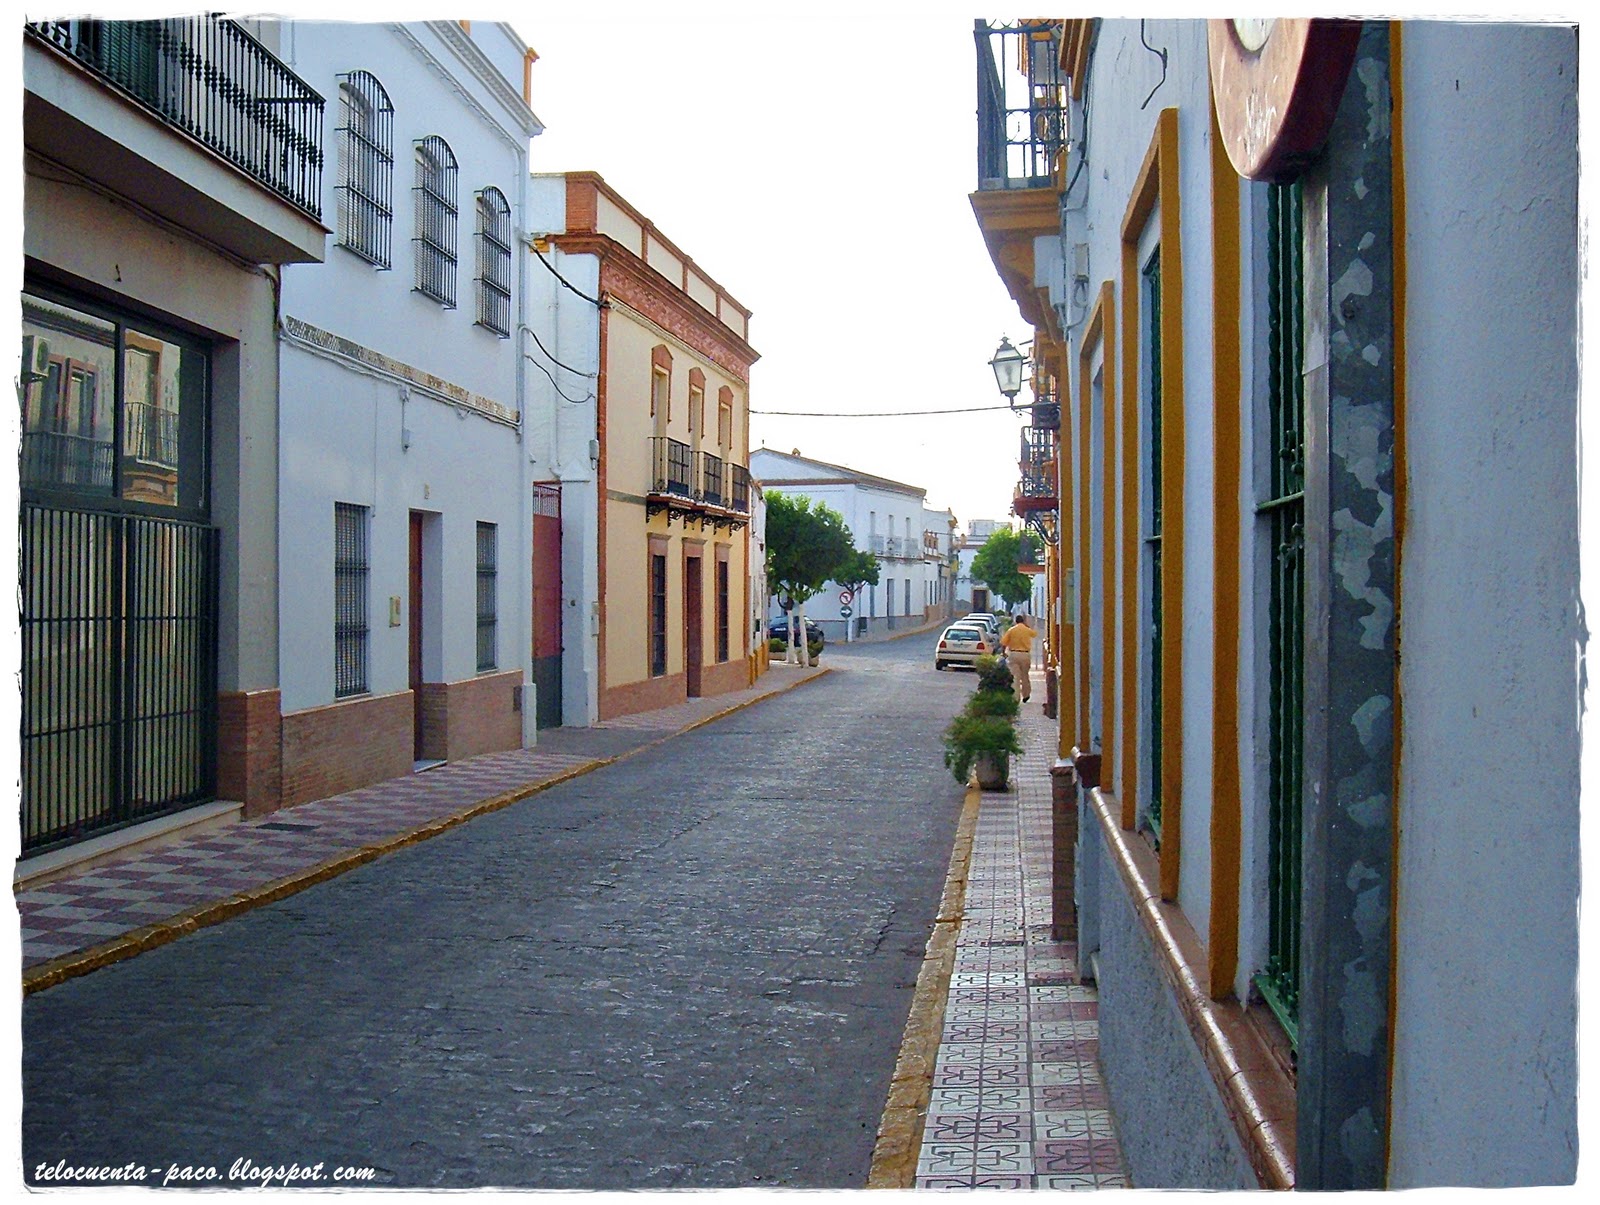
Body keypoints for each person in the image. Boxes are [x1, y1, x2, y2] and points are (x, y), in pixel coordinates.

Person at [999, 612, 1036, 702]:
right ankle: (1026, 694)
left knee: (1015, 676)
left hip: (1014, 654)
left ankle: (1016, 697)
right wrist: (1027, 625)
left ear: (1015, 621)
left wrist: (1003, 653)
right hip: (1025, 654)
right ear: (1022, 621)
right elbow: (1034, 634)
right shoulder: (1027, 630)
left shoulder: (1011, 630)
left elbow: (1003, 643)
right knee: (1025, 675)